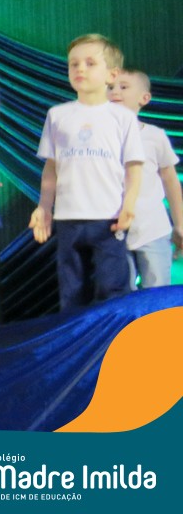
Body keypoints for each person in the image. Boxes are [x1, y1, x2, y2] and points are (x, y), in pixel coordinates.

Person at [29, 35, 144, 310]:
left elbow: (134, 167)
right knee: (71, 289)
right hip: (68, 218)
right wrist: (44, 207)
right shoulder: (57, 115)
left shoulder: (123, 117)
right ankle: (77, 336)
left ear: (112, 75)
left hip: (108, 217)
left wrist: (128, 206)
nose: (80, 69)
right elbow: (51, 167)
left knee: (112, 287)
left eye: (90, 63)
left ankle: (114, 335)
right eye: (74, 64)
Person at [109, 68, 183, 287]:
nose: (115, 91)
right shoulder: (97, 138)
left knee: (157, 291)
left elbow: (171, 181)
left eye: (124, 87)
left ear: (144, 98)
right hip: (111, 231)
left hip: (152, 228)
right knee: (121, 293)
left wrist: (179, 224)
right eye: (110, 87)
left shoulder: (154, 136)